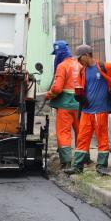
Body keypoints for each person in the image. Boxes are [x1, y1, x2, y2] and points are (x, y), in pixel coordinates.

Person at [69, 44, 111, 175]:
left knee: (102, 138)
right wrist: (80, 97)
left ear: (86, 55)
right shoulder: (83, 71)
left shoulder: (103, 67)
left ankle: (101, 166)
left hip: (100, 111)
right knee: (82, 139)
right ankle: (77, 166)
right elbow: (81, 87)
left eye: (80, 59)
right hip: (86, 111)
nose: (79, 62)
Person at [43, 40, 83, 171]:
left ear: (59, 52)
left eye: (56, 54)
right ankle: (82, 161)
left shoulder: (62, 66)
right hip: (79, 105)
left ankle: (66, 162)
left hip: (65, 106)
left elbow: (57, 89)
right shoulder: (79, 65)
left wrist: (49, 95)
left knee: (64, 132)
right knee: (81, 132)